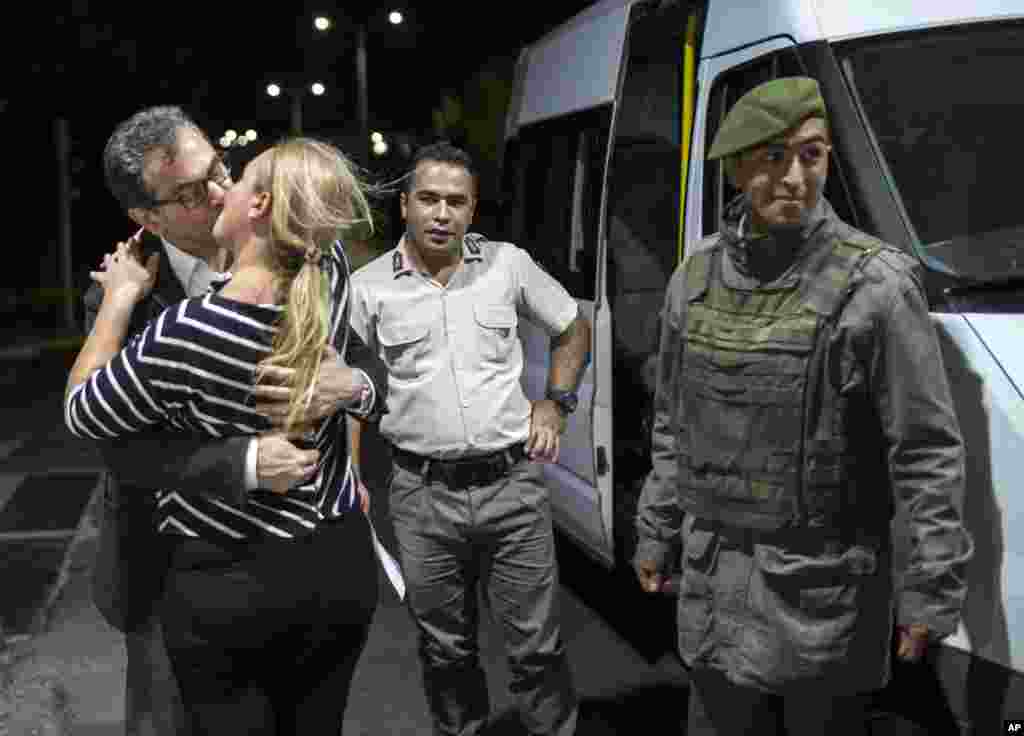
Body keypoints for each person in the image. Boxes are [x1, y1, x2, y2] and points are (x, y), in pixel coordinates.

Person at [633, 77, 973, 735]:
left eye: (811, 155)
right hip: (713, 583)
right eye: (771, 157)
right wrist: (658, 526)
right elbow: (676, 419)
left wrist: (930, 587)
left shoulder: (876, 285)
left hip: (822, 591)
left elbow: (926, 450)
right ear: (735, 166)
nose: (794, 177)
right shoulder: (694, 278)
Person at [66, 136, 388, 734]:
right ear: (145, 216)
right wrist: (239, 461)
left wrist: (356, 390)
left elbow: (84, 411)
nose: (217, 191)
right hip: (183, 567)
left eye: (223, 172)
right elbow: (116, 448)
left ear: (259, 203)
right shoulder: (326, 265)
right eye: (190, 192)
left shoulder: (186, 326)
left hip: (239, 580)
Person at [346, 142, 589, 736]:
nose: (441, 213)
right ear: (404, 204)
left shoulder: (507, 265)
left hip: (512, 488)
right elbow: (348, 387)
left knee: (537, 648)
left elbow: (571, 326)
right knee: (445, 651)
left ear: (472, 209)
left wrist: (555, 404)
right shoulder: (367, 288)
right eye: (428, 198)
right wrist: (349, 472)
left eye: (456, 201)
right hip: (421, 496)